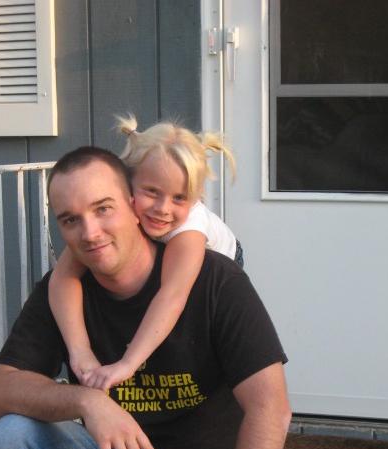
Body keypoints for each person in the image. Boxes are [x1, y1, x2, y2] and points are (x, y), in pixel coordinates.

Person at [0, 145, 291, 449]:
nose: (90, 232)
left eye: (102, 209)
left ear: (133, 205)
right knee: (11, 438)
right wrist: (88, 402)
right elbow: (1, 391)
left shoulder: (215, 280)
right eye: (70, 219)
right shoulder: (64, 289)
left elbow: (271, 408)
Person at [48, 115, 242, 392]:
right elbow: (62, 279)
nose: (163, 208)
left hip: (220, 262)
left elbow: (172, 295)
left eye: (179, 198)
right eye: (151, 191)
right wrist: (80, 352)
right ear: (129, 184)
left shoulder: (189, 229)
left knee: (186, 320)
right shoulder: (116, 213)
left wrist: (128, 363)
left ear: (194, 199)